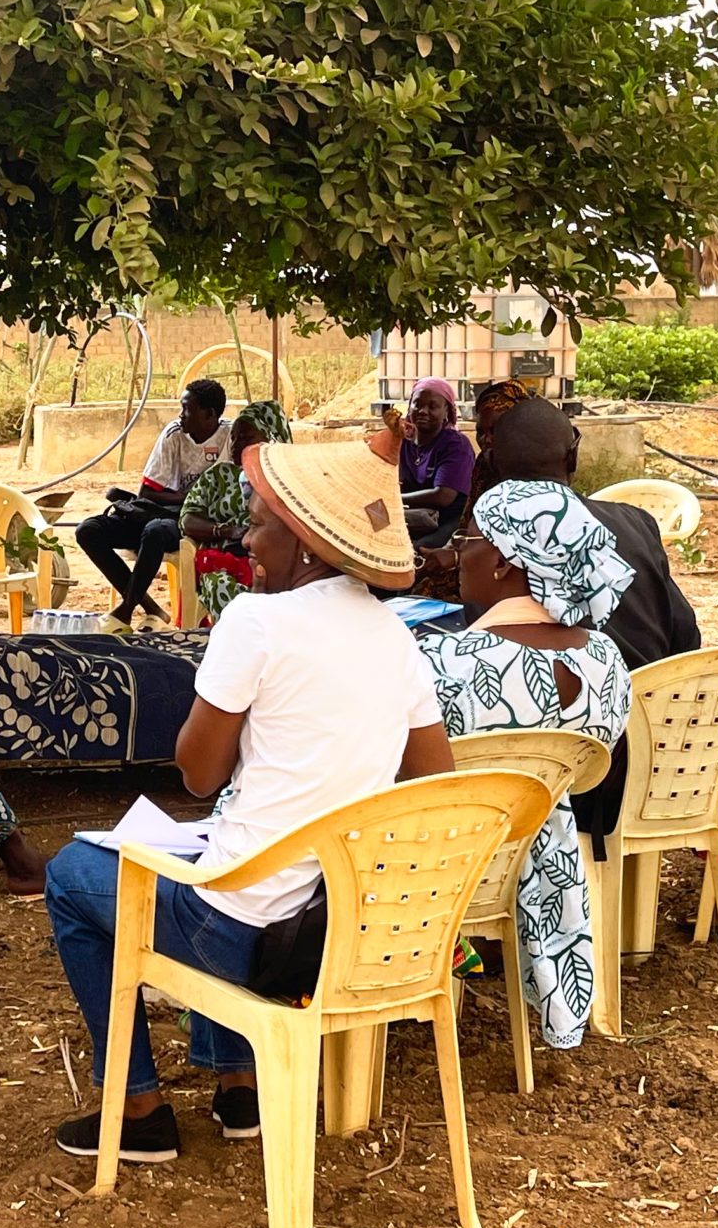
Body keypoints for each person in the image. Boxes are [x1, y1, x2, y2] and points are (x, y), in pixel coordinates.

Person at [43, 422, 452, 1164]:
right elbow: (433, 782)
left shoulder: (256, 620)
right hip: (335, 927)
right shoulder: (395, 638)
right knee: (238, 856)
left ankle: (136, 1105)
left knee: (73, 873)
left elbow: (198, 774)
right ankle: (238, 1087)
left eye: (261, 527)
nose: (248, 542)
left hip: (237, 937)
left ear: (300, 543)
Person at [421, 481, 636, 1050]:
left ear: (502, 561)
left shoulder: (442, 662)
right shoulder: (607, 660)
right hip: (538, 865)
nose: (457, 550)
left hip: (441, 872)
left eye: (467, 537)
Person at [480, 396, 702, 841]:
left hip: (557, 788)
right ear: (574, 455)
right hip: (655, 757)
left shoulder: (497, 535)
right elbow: (686, 640)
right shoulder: (637, 524)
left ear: (490, 460)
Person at [76, 378, 232, 630]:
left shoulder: (230, 436)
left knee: (156, 532)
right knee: (89, 530)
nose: (181, 415)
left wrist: (193, 502)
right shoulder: (174, 434)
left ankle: (125, 610)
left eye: (187, 409)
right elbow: (147, 492)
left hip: (193, 522)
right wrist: (190, 496)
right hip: (163, 512)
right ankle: (150, 608)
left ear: (209, 414)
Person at [175, 399, 291, 619]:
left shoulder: (290, 478)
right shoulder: (218, 476)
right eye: (234, 438)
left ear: (272, 438)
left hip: (280, 564)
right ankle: (240, 641)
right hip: (226, 563)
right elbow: (187, 519)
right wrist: (224, 530)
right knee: (220, 585)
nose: (236, 444)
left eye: (246, 438)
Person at [398, 378, 478, 546]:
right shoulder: (401, 442)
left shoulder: (456, 445)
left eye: (433, 407)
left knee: (416, 552)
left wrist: (395, 498)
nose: (423, 411)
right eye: (417, 404)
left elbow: (443, 496)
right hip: (413, 516)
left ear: (447, 411)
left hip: (449, 520)